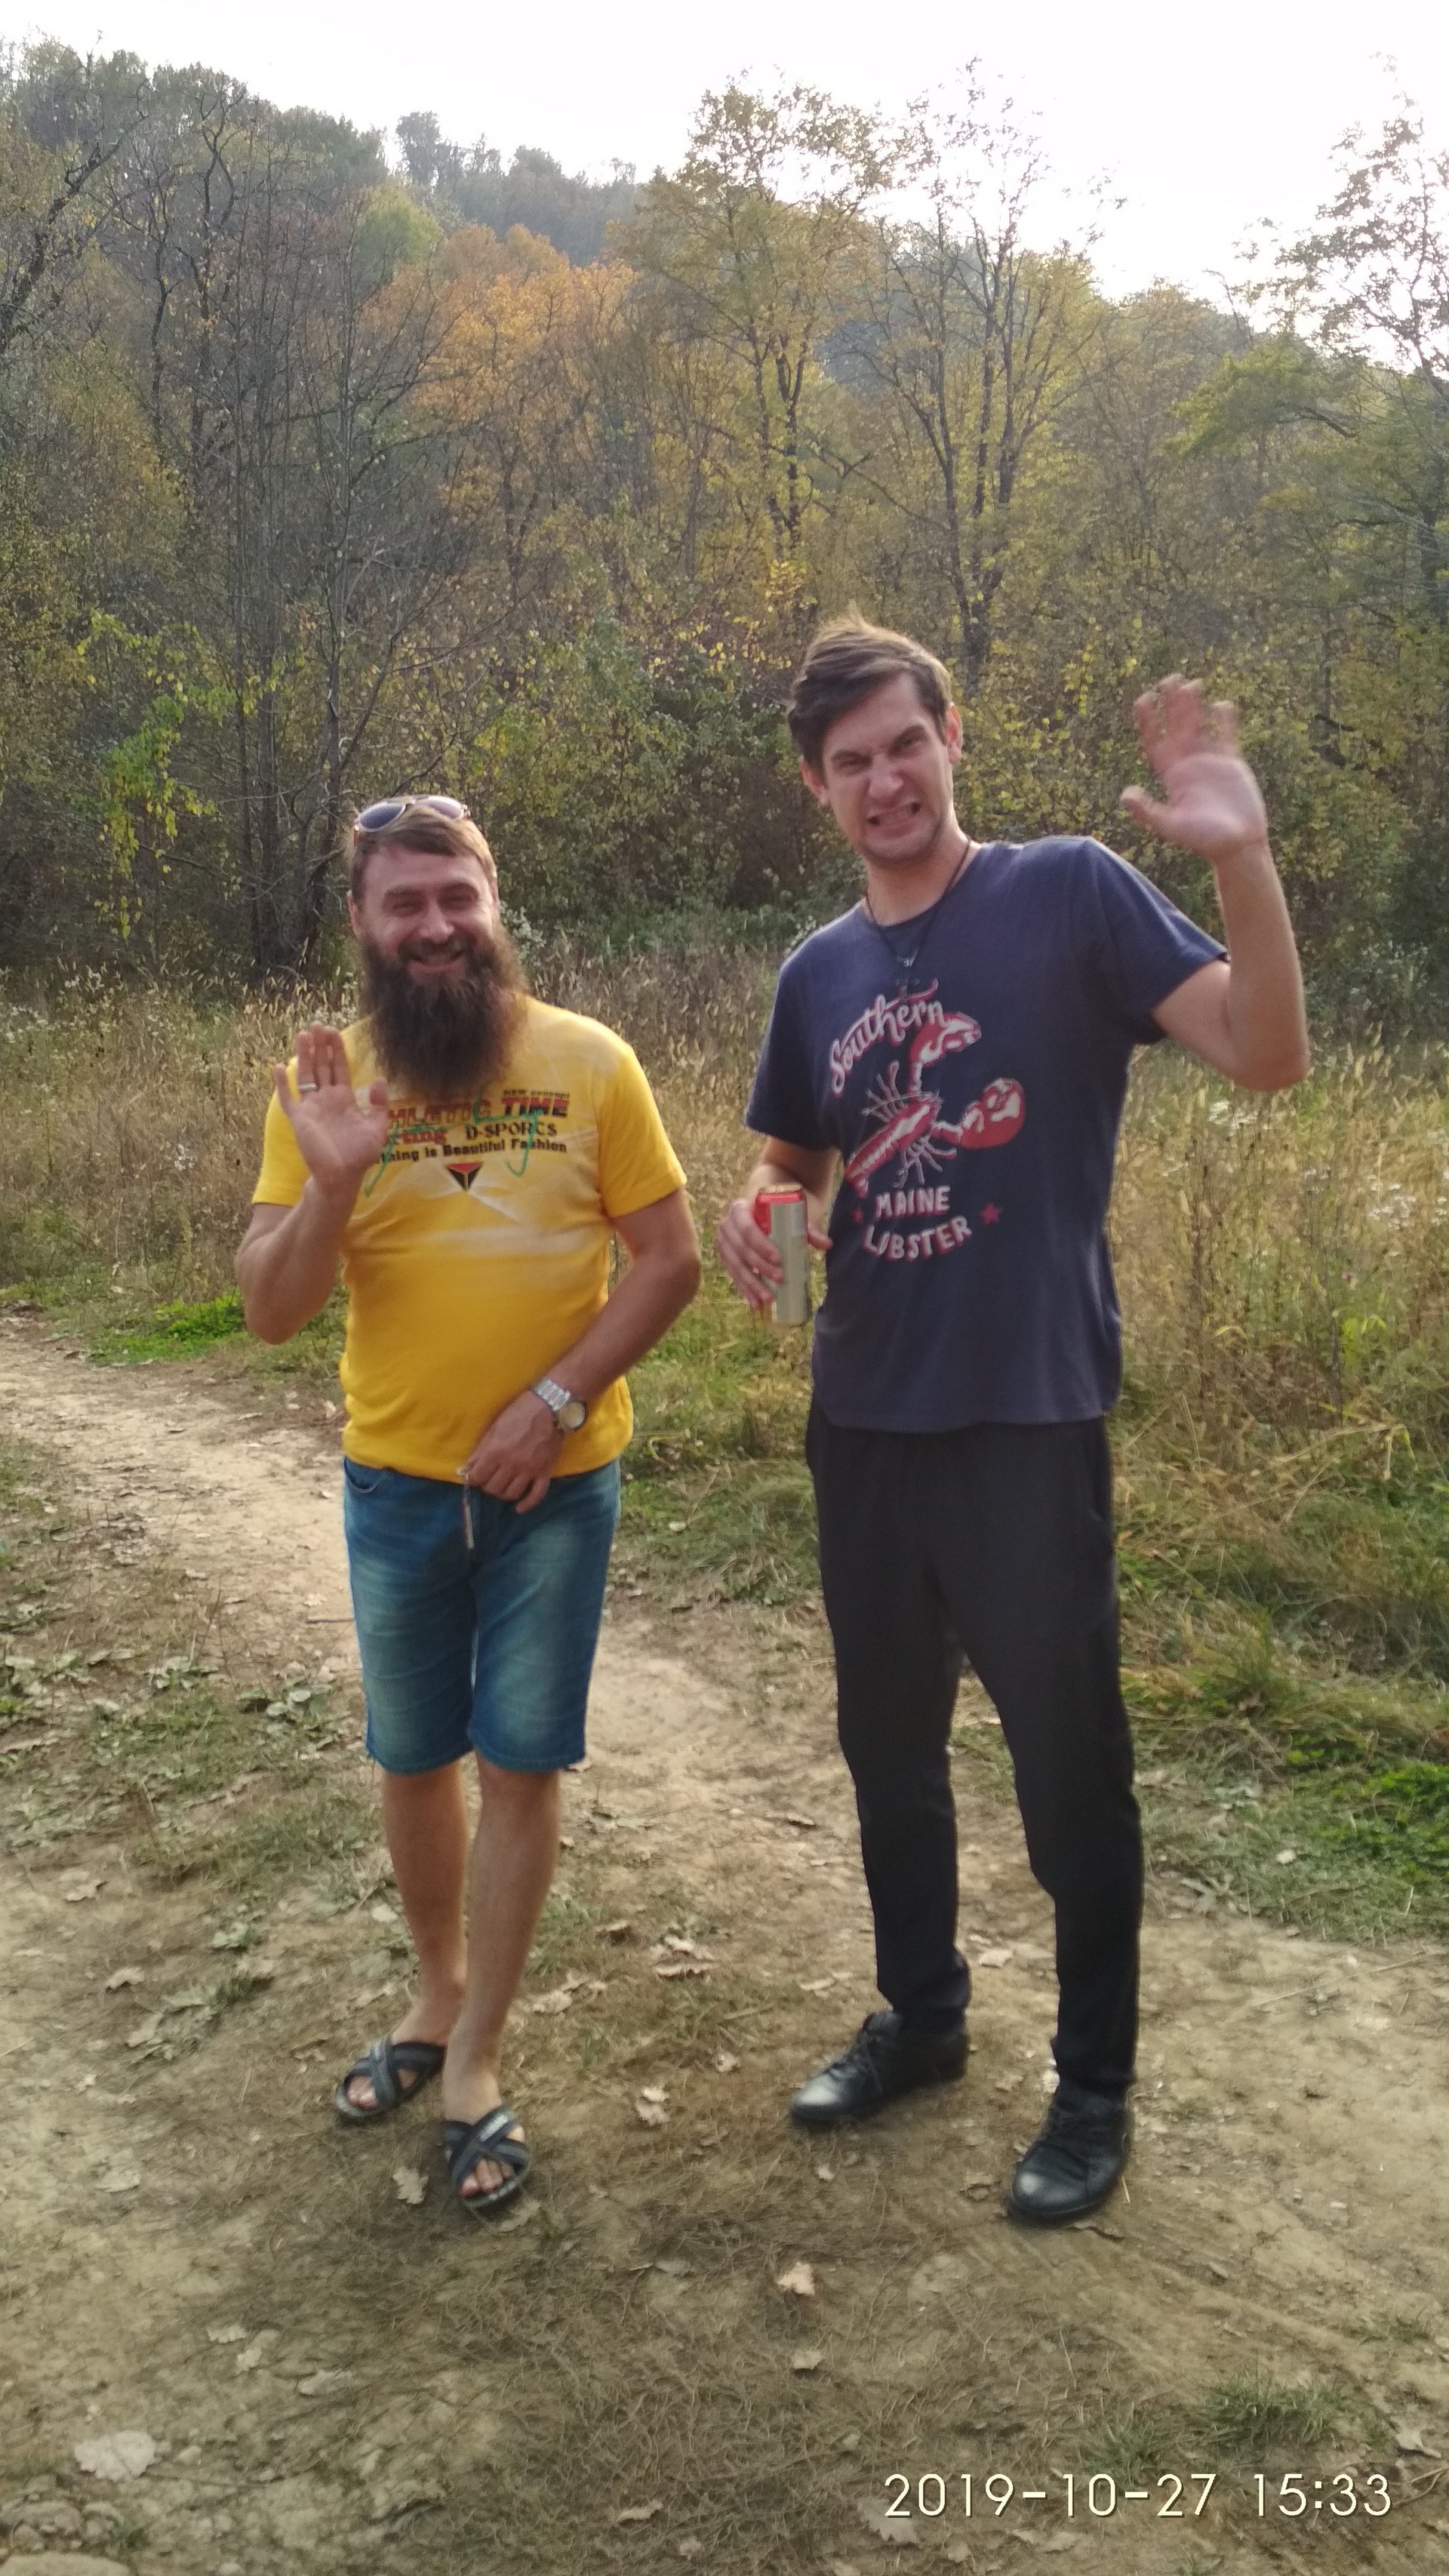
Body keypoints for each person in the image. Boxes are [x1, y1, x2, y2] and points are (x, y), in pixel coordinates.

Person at [717, 621, 1308, 2224]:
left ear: (952, 735)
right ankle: (921, 2018)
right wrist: (759, 1213)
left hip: (1028, 1419)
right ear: (818, 787)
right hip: (865, 1420)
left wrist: (1242, 859)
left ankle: (1094, 2088)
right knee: (888, 1752)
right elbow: (792, 1168)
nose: (884, 781)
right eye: (851, 762)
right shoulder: (817, 974)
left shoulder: (1068, 894)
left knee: (1068, 1773)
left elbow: (1267, 1055)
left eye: (904, 744)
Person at [237, 796, 700, 2214]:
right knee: (412, 1754)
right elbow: (269, 1309)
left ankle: (479, 2054)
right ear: (363, 924)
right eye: (405, 903)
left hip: (557, 1487)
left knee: (520, 1762)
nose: (435, 926)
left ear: (494, 904)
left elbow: (670, 1259)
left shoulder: (591, 1062)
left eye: (457, 897)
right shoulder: (325, 1087)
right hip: (396, 1484)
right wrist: (331, 1184)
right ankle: (435, 1991)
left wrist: (553, 1402)